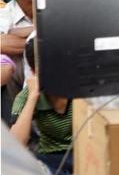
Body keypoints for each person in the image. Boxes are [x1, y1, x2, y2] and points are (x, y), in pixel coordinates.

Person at [10, 39, 73, 175]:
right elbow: (16, 144)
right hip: (50, 158)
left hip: (83, 151)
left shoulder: (80, 89)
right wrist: (32, 97)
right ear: (33, 71)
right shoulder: (26, 96)